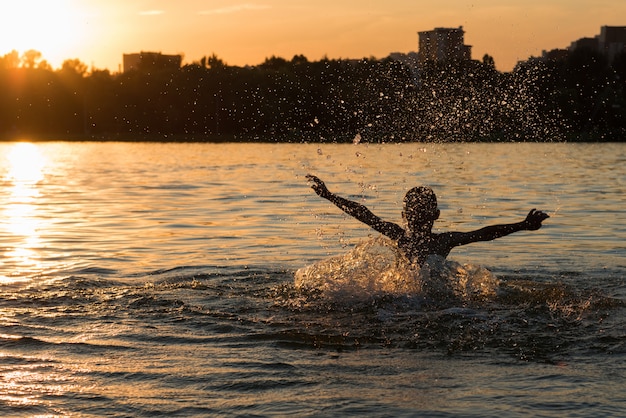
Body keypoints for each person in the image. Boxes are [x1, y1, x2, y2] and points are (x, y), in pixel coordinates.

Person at [306, 175, 549, 266]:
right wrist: (523, 225)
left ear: (403, 216)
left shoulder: (398, 235)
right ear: (436, 215)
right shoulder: (444, 242)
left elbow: (365, 215)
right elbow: (485, 233)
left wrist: (329, 196)